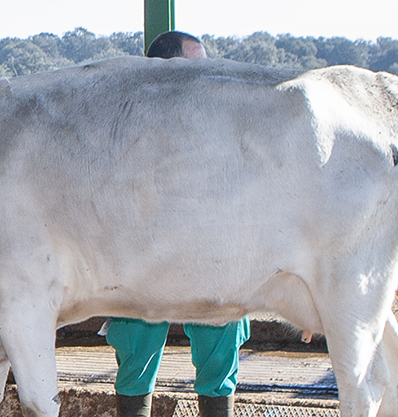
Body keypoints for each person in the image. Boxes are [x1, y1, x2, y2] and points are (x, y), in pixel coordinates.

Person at [102, 31, 251, 417]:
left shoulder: (223, 121)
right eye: (197, 66)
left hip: (207, 250)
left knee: (222, 331)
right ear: (167, 71)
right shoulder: (123, 121)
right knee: (135, 341)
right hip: (144, 251)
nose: (209, 75)